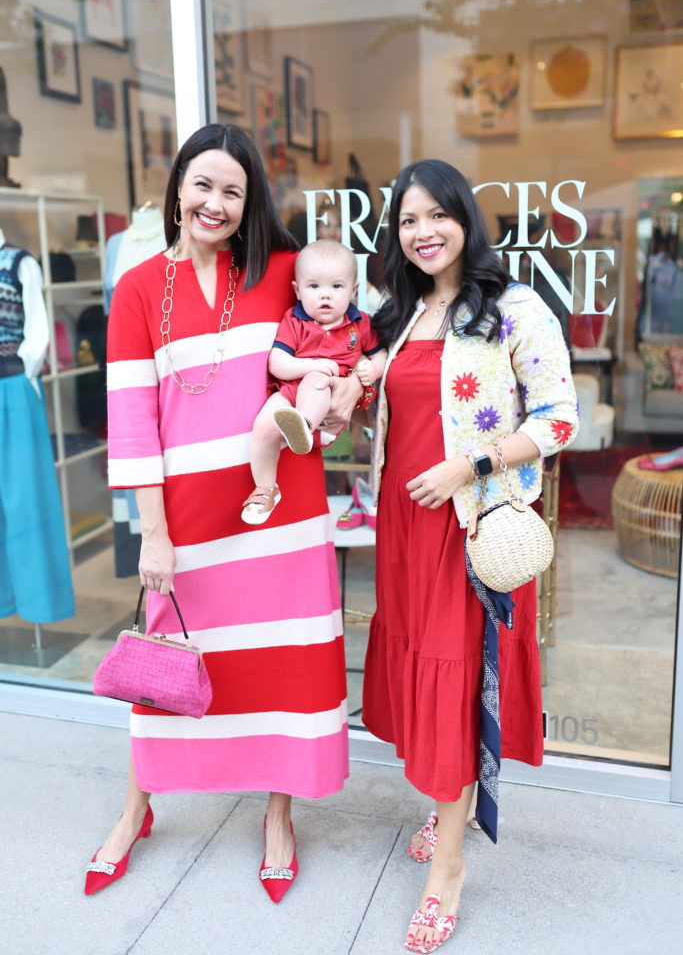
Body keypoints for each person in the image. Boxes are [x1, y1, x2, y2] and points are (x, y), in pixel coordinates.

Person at [88, 124, 361, 903]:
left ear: (250, 205)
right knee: (165, 670)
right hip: (188, 521)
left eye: (233, 191)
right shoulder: (139, 287)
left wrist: (351, 384)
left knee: (281, 666)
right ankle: (137, 805)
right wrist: (155, 531)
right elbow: (133, 418)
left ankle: (278, 815)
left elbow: (346, 339)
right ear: (177, 186)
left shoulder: (282, 271)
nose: (215, 202)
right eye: (203, 184)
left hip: (283, 512)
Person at [362, 159, 578, 952]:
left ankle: (446, 867)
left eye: (435, 216)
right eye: (407, 221)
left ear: (463, 218)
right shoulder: (401, 314)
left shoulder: (514, 307)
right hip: (403, 527)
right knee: (424, 668)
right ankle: (442, 806)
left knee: (455, 679)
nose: (422, 232)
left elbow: (559, 418)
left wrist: (474, 461)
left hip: (466, 526)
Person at [242, 238, 386, 525]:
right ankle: (266, 489)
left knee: (318, 380)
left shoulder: (360, 324)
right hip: (290, 394)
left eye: (336, 286)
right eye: (314, 286)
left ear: (353, 290)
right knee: (262, 427)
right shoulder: (295, 321)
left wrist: (374, 368)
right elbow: (277, 363)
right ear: (297, 290)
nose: (325, 296)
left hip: (328, 399)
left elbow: (380, 353)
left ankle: (304, 426)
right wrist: (308, 365)